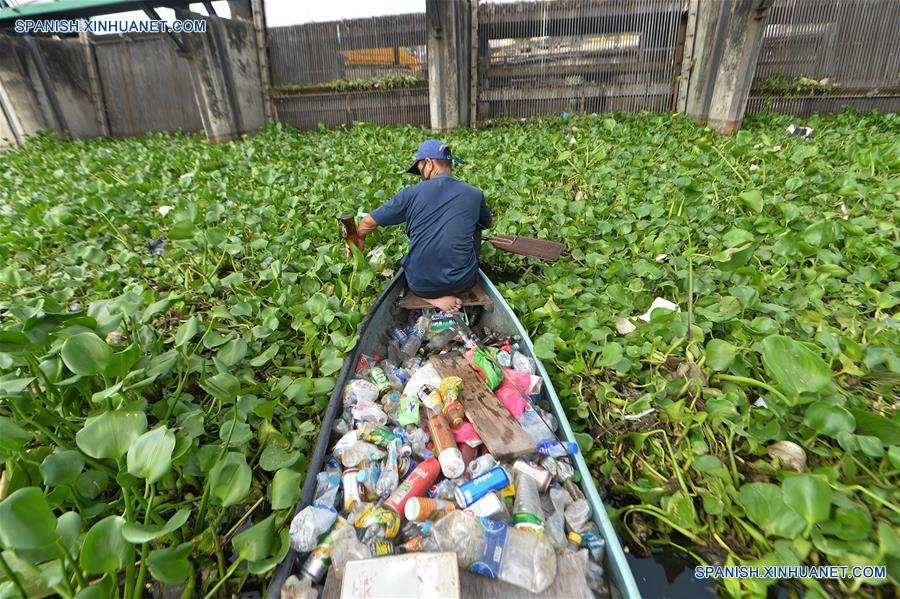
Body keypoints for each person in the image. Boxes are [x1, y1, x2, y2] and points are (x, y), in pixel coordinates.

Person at [345, 139, 492, 313]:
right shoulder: (474, 194)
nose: (421, 175)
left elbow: (368, 221)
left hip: (420, 285)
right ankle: (448, 285)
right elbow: (488, 223)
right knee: (477, 224)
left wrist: (359, 239)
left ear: (428, 163)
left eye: (420, 168)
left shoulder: (410, 193)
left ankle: (430, 296)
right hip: (463, 282)